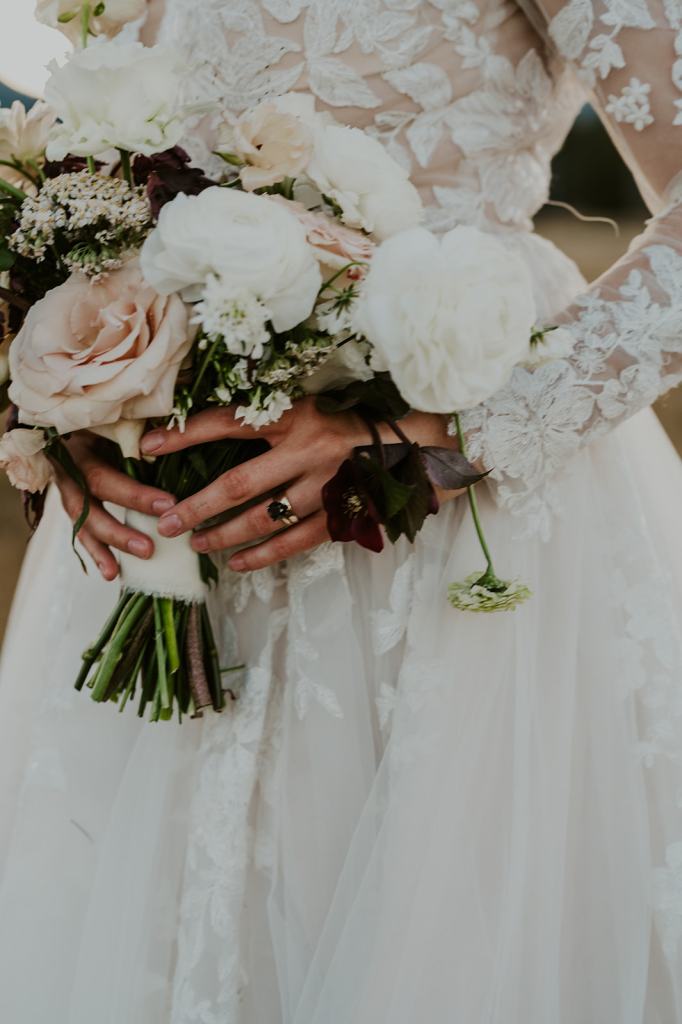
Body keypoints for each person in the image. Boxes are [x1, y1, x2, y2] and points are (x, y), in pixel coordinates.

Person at [1, 1, 681, 1020]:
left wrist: (450, 431)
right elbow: (94, 179)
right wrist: (61, 402)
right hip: (163, 545)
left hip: (447, 546)